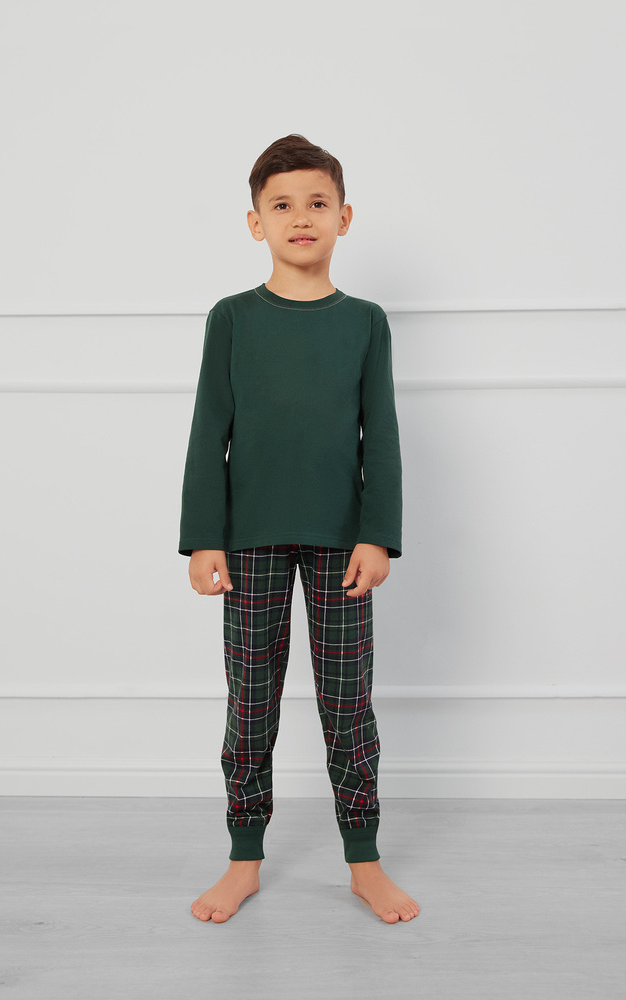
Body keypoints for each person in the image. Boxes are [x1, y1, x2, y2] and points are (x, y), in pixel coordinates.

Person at [178, 134, 420, 925]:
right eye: (281, 205)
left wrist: (377, 534)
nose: (300, 217)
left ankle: (363, 860)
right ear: (256, 223)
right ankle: (243, 858)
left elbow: (380, 434)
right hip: (247, 540)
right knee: (250, 702)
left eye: (317, 203)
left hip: (343, 542)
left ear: (343, 217)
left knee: (348, 705)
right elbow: (208, 430)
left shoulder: (365, 322)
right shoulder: (231, 319)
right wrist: (204, 536)